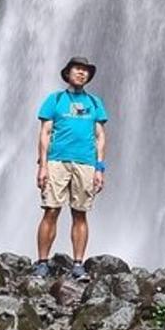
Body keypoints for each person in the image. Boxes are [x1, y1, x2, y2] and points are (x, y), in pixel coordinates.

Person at [33, 56, 108, 279]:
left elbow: (100, 137)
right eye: (77, 69)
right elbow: (45, 133)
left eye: (85, 70)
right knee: (51, 210)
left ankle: (78, 264)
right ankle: (42, 262)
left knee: (80, 213)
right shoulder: (55, 100)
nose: (81, 73)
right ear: (68, 73)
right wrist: (42, 165)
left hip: (85, 163)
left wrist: (100, 168)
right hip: (57, 162)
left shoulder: (95, 103)